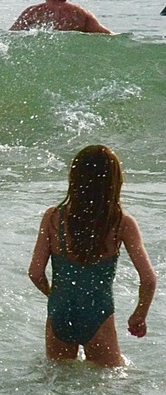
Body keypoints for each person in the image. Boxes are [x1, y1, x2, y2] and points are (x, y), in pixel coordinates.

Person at [27, 145, 154, 367]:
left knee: (60, 382)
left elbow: (35, 273)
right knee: (110, 384)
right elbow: (149, 279)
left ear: (74, 178)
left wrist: (54, 296)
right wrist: (139, 316)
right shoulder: (122, 223)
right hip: (98, 314)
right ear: (114, 182)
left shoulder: (53, 217)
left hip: (60, 311)